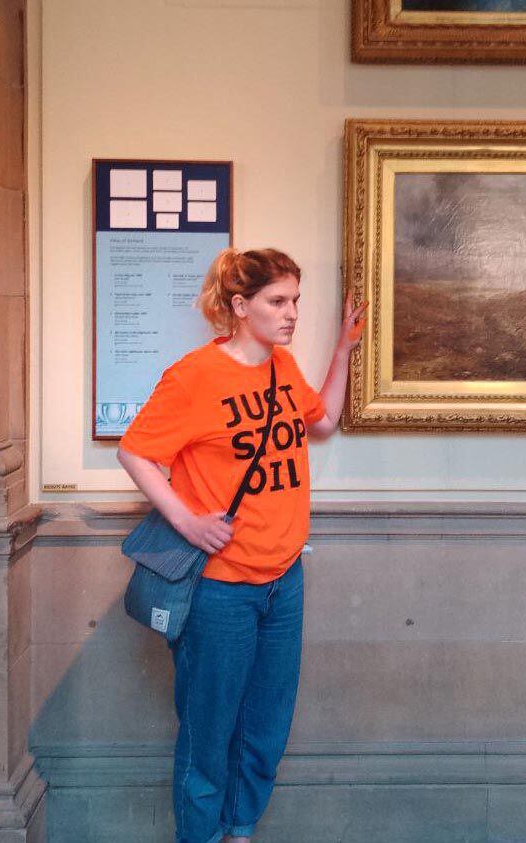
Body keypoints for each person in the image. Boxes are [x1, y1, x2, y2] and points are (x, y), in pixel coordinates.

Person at [117, 247, 365, 843]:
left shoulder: (282, 369)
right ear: (239, 306)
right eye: (277, 302)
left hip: (284, 581)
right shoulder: (195, 376)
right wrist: (187, 520)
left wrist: (342, 353)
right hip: (220, 590)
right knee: (210, 734)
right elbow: (136, 450)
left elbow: (323, 422)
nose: (291, 315)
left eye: (295, 301)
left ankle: (240, 831)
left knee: (265, 731)